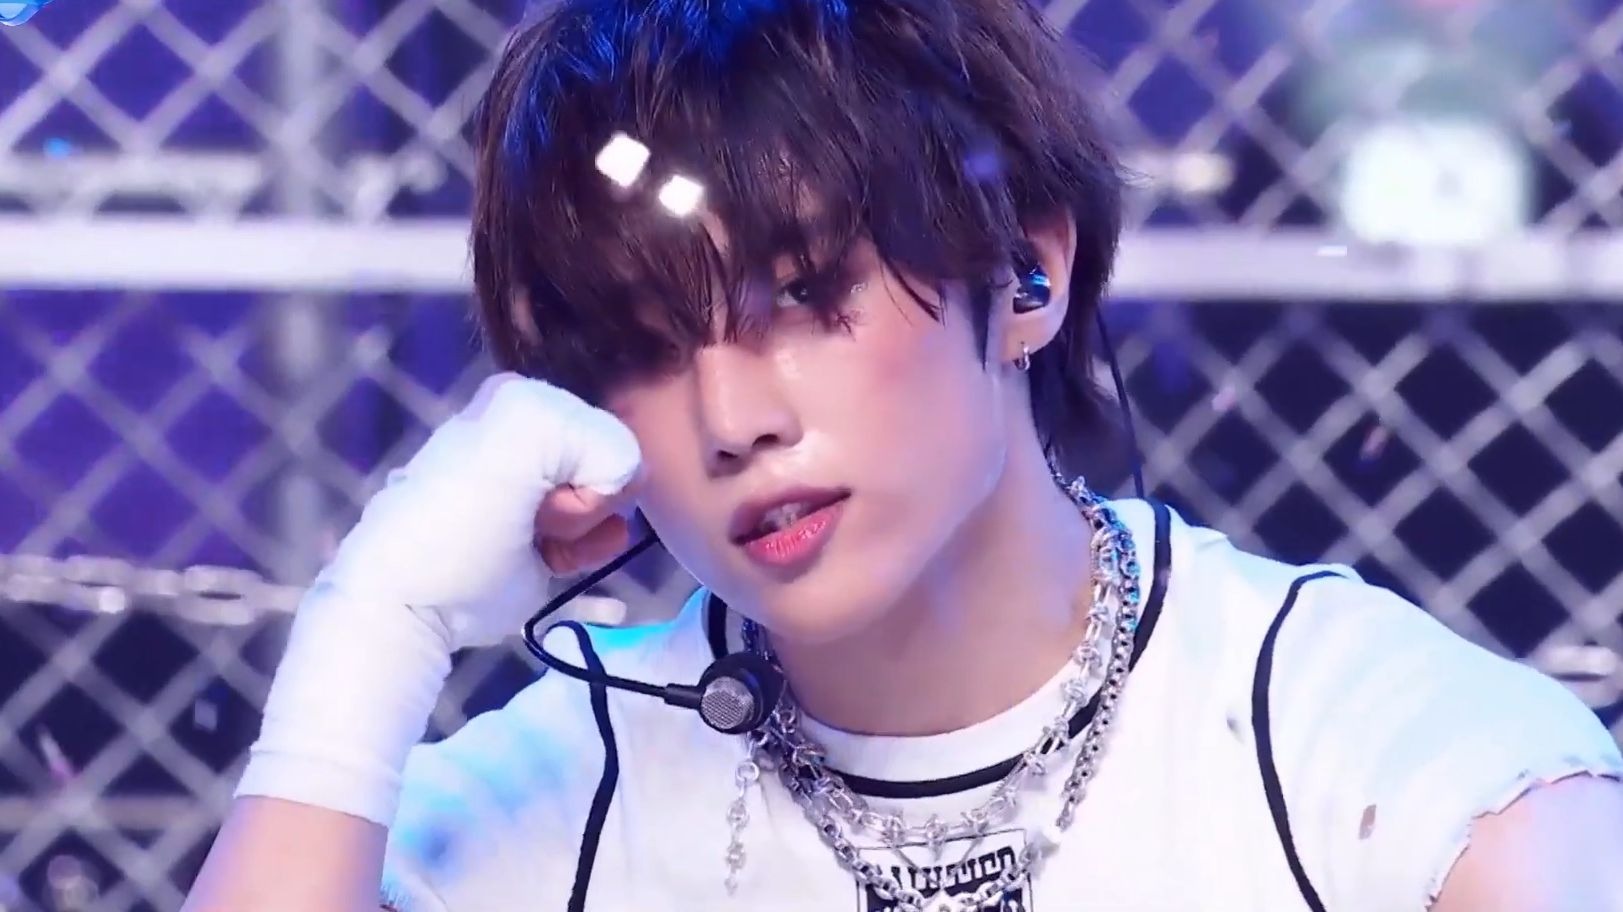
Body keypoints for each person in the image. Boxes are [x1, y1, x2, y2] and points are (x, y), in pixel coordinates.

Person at [181, 0, 1623, 908]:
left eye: (806, 295)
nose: (731, 416)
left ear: (1027, 273)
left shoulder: (1383, 763)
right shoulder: (562, 785)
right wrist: (370, 633)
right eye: (643, 345)